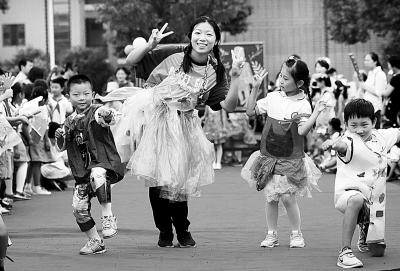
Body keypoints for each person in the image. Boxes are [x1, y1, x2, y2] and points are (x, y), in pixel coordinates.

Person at [123, 17, 244, 248]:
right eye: (198, 33)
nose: (203, 38)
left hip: (186, 127)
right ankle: (164, 231)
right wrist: (150, 45)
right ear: (190, 36)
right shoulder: (174, 54)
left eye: (209, 34)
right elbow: (131, 60)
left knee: (180, 178)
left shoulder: (215, 69)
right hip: (159, 123)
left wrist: (236, 77)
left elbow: (228, 105)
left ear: (217, 40)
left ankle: (182, 228)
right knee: (158, 179)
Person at [241, 56, 325, 249]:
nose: (281, 80)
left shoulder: (303, 104)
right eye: (280, 76)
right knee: (271, 197)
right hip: (269, 156)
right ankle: (272, 234)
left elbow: (303, 131)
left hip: (290, 158)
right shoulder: (272, 97)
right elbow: (250, 111)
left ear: (300, 82)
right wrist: (255, 87)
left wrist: (316, 112)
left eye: (286, 78)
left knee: (287, 197)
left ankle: (296, 234)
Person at [322, 98, 400, 268]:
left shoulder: (382, 136)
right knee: (356, 200)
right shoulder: (348, 140)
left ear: (374, 121)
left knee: (377, 252)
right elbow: (343, 146)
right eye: (353, 125)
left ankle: (365, 228)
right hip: (347, 196)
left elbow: (398, 132)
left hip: (374, 203)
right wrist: (334, 145)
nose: (359, 130)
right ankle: (345, 252)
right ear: (346, 125)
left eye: (364, 124)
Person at [55, 75, 124, 255]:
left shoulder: (96, 111)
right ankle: (95, 241)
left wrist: (107, 114)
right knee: (79, 210)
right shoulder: (69, 121)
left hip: (103, 165)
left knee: (98, 172)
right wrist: (60, 136)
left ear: (93, 94)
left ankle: (108, 216)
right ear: (68, 96)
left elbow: (107, 117)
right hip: (81, 172)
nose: (82, 98)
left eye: (86, 93)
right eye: (77, 94)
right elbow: (62, 147)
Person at [358, 52, 387, 129]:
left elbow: (379, 92)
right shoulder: (370, 73)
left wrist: (364, 86)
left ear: (375, 61)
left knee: (374, 133)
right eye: (365, 60)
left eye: (368, 60)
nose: (365, 62)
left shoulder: (380, 74)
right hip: (367, 109)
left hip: (375, 108)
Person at [201, 105, 228, 169]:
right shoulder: (207, 106)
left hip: (218, 128)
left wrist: (224, 127)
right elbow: (205, 115)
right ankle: (213, 161)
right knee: (211, 146)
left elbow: (224, 117)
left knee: (219, 145)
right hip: (209, 128)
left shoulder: (221, 105)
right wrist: (199, 120)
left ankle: (218, 162)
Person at [382, 55, 400, 125]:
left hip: (395, 106)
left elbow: (386, 93)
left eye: (389, 64)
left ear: (393, 65)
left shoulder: (395, 78)